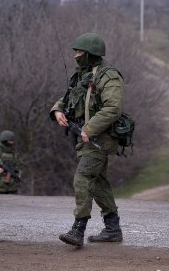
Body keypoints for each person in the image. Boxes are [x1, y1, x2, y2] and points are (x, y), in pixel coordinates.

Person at [51, 33, 124, 247]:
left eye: (80, 52)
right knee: (99, 183)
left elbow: (113, 107)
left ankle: (78, 229)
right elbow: (67, 97)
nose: (75, 56)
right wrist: (57, 110)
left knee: (82, 178)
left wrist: (90, 128)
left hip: (100, 138)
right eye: (75, 52)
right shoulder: (81, 74)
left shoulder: (108, 76)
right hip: (84, 136)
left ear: (91, 54)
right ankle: (112, 228)